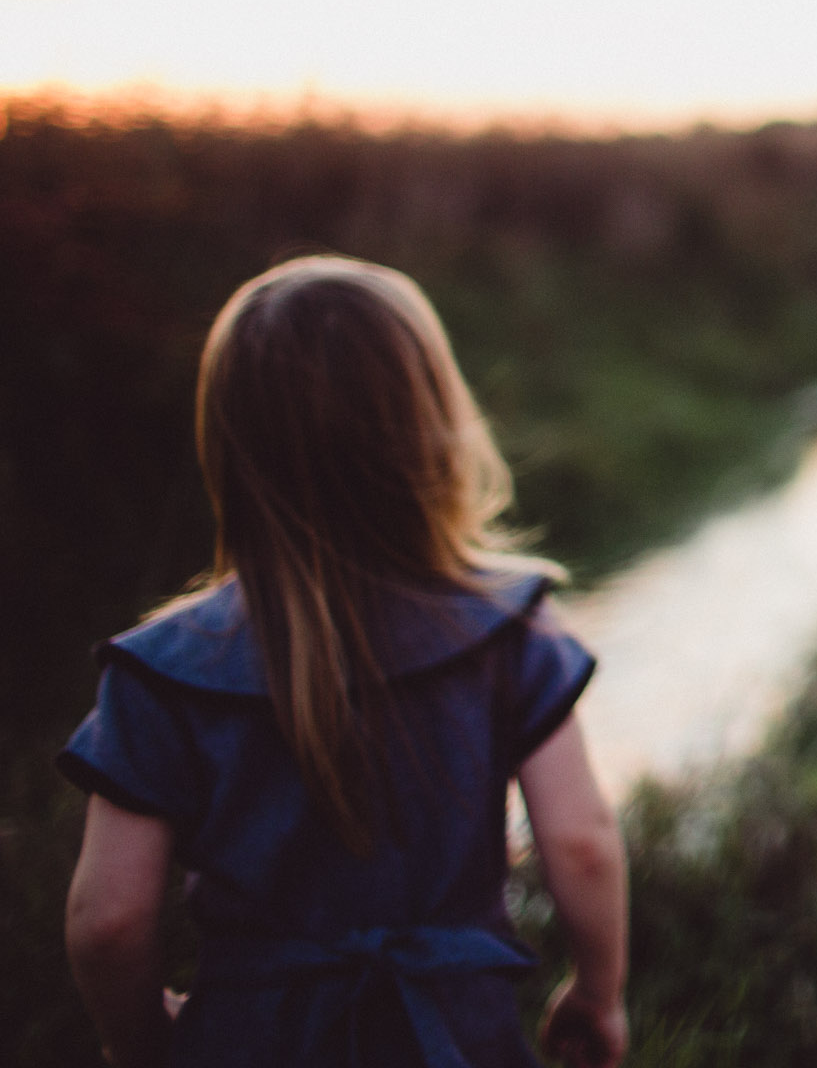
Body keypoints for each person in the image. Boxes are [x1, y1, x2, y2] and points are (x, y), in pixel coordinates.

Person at [57, 256, 629, 1068]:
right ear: (431, 426)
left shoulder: (160, 670)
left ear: (228, 442)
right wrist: (598, 995)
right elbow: (582, 845)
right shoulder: (508, 631)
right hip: (452, 1036)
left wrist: (139, 1044)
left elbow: (108, 920)